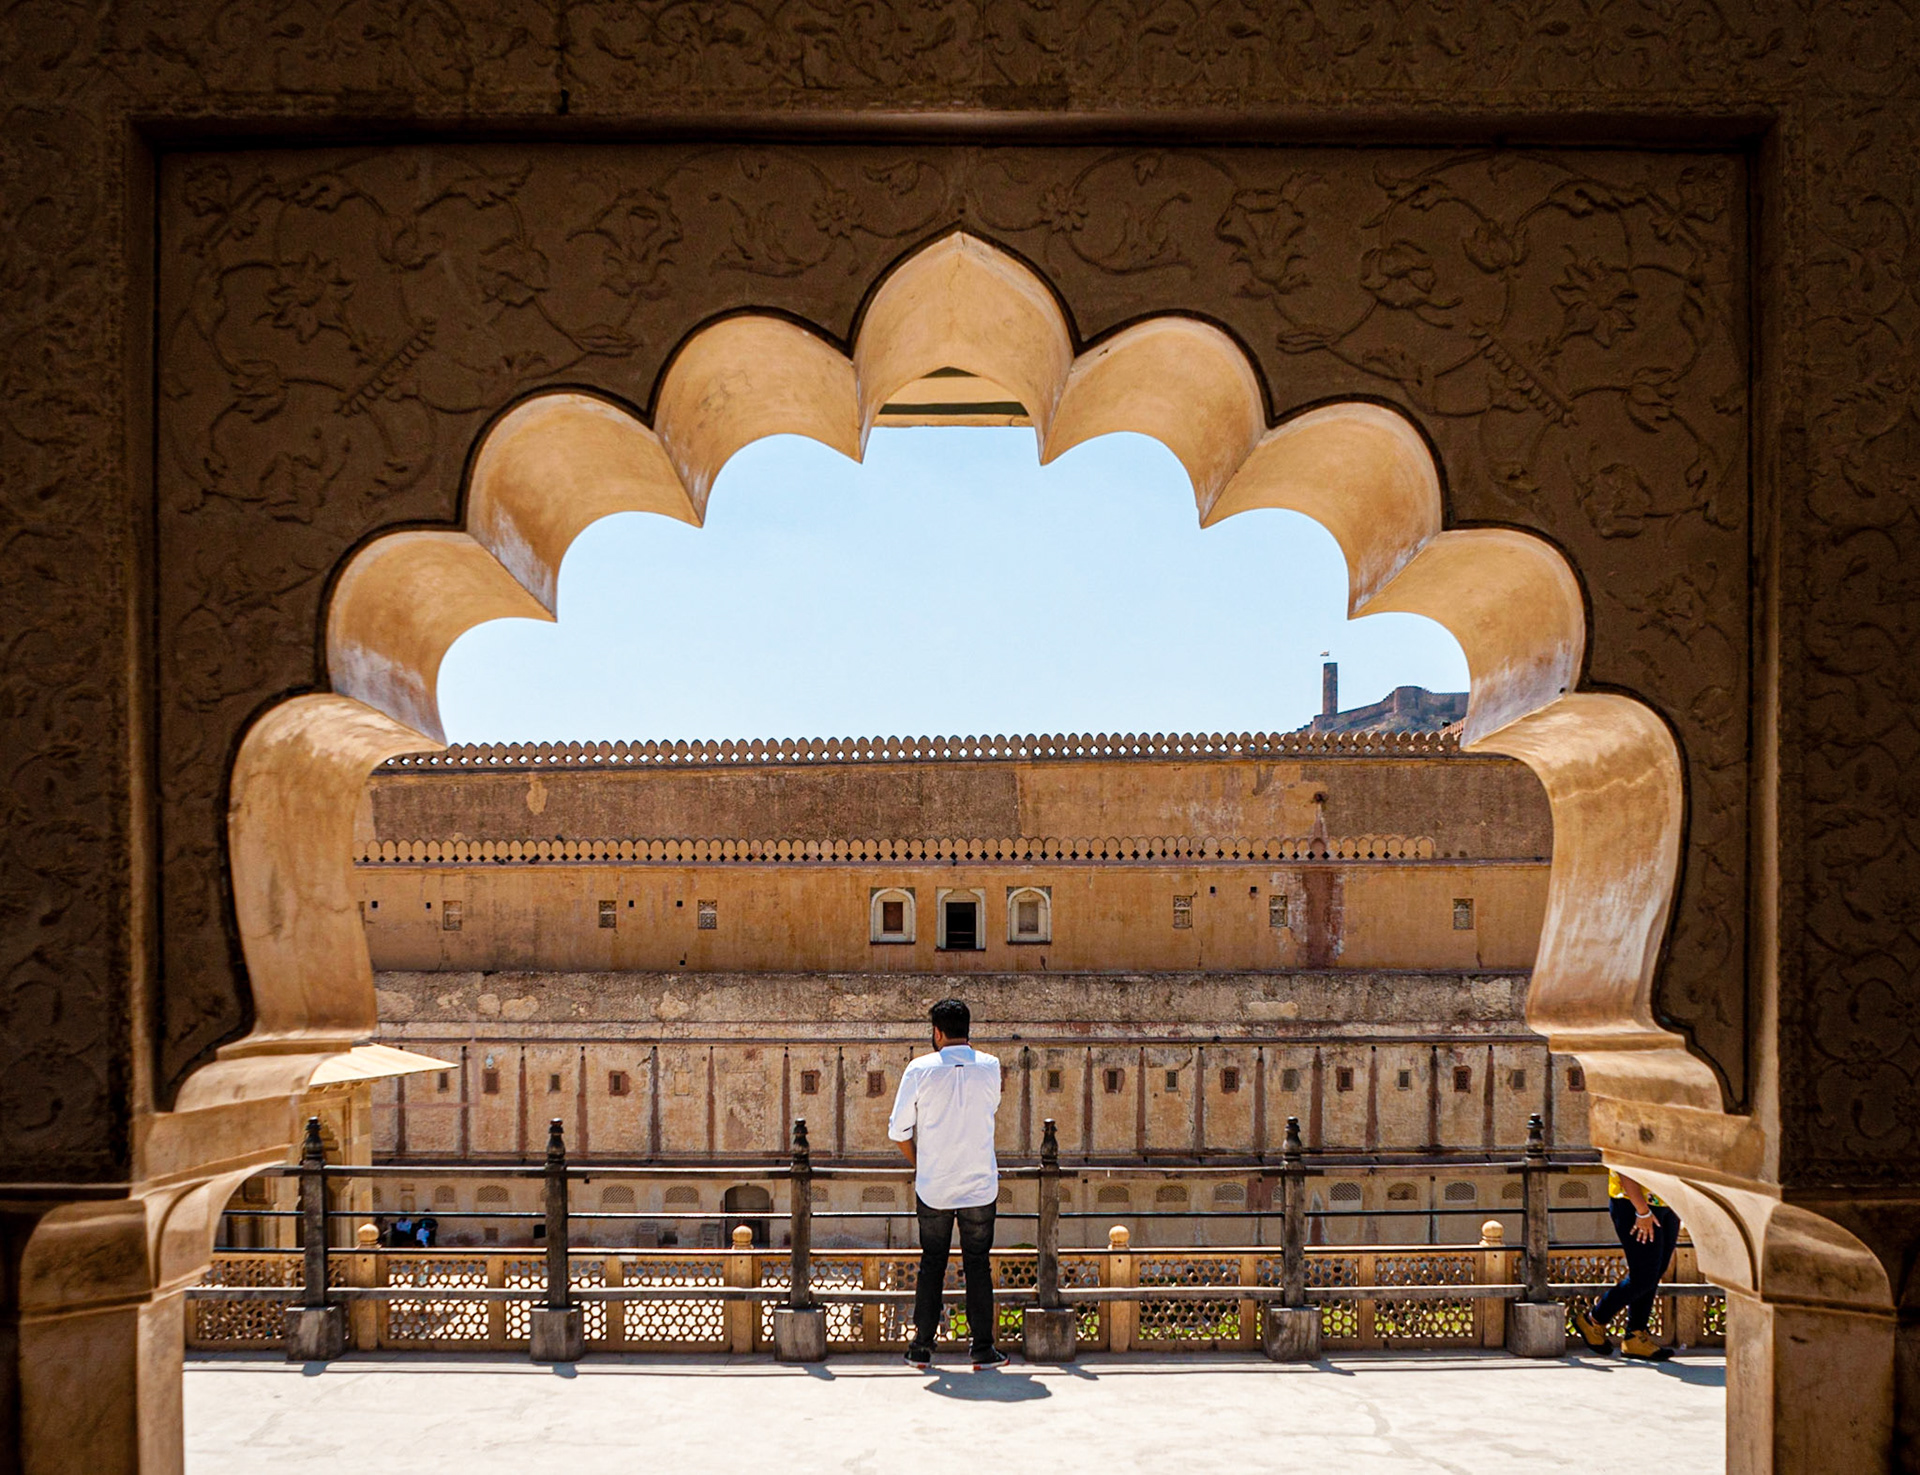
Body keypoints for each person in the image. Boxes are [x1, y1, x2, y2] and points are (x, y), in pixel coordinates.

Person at [888, 997, 1005, 1370]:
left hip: (934, 1187)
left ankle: (921, 1347)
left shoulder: (919, 1069)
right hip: (979, 1186)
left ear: (937, 1032)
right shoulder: (990, 1066)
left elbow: (898, 1130)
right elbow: (990, 1109)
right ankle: (982, 1349)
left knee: (932, 1264)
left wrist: (922, 1164)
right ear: (966, 1029)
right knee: (978, 1266)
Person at [1572, 1168, 1681, 1361]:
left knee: (1655, 1272)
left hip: (1667, 1202)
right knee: (1644, 1276)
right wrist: (1642, 1211)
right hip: (1636, 1204)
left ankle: (1635, 1336)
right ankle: (1593, 1319)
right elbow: (1623, 1164)